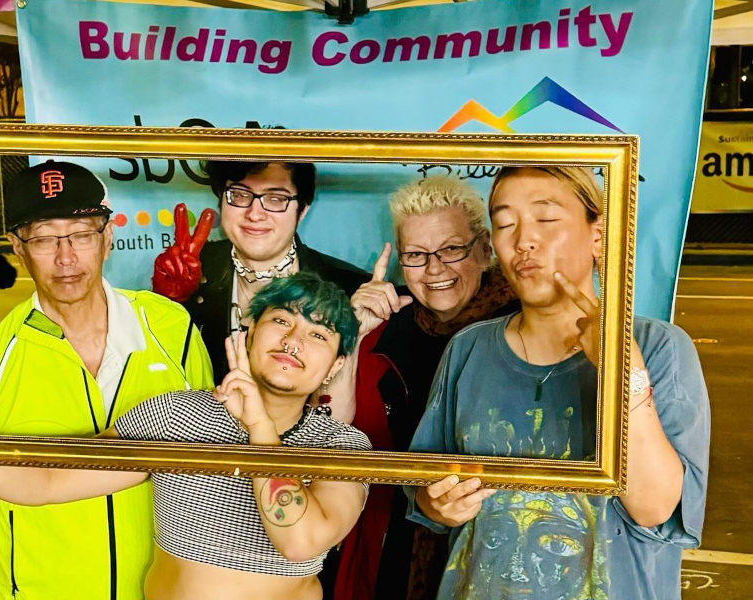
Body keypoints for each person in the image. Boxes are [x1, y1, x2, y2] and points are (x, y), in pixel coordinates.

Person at [0, 272, 371, 600]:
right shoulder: (177, 416)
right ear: (248, 333)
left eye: (319, 334)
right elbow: (49, 480)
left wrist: (260, 430)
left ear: (333, 368)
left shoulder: (345, 449)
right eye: (282, 320)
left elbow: (300, 542)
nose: (294, 340)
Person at [406, 166, 710, 599]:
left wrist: (622, 368)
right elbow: (425, 489)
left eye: (546, 219)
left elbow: (653, 508)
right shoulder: (468, 349)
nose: (523, 240)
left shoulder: (659, 346)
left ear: (598, 236)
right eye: (505, 223)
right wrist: (437, 502)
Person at [0, 160, 213, 600]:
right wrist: (23, 577)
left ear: (108, 237)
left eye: (81, 234)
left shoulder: (172, 328)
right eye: (43, 239)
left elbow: (206, 459)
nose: (66, 257)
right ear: (16, 248)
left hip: (165, 588)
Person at [332, 176, 517, 600]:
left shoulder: (523, 325)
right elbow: (333, 432)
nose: (434, 270)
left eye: (451, 249)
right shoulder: (384, 324)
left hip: (494, 548)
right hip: (390, 544)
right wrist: (351, 339)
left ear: (484, 248)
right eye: (416, 255)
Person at [153, 160, 369, 382]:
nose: (254, 214)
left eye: (276, 199)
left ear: (302, 209)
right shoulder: (190, 267)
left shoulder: (349, 289)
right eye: (239, 194)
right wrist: (167, 305)